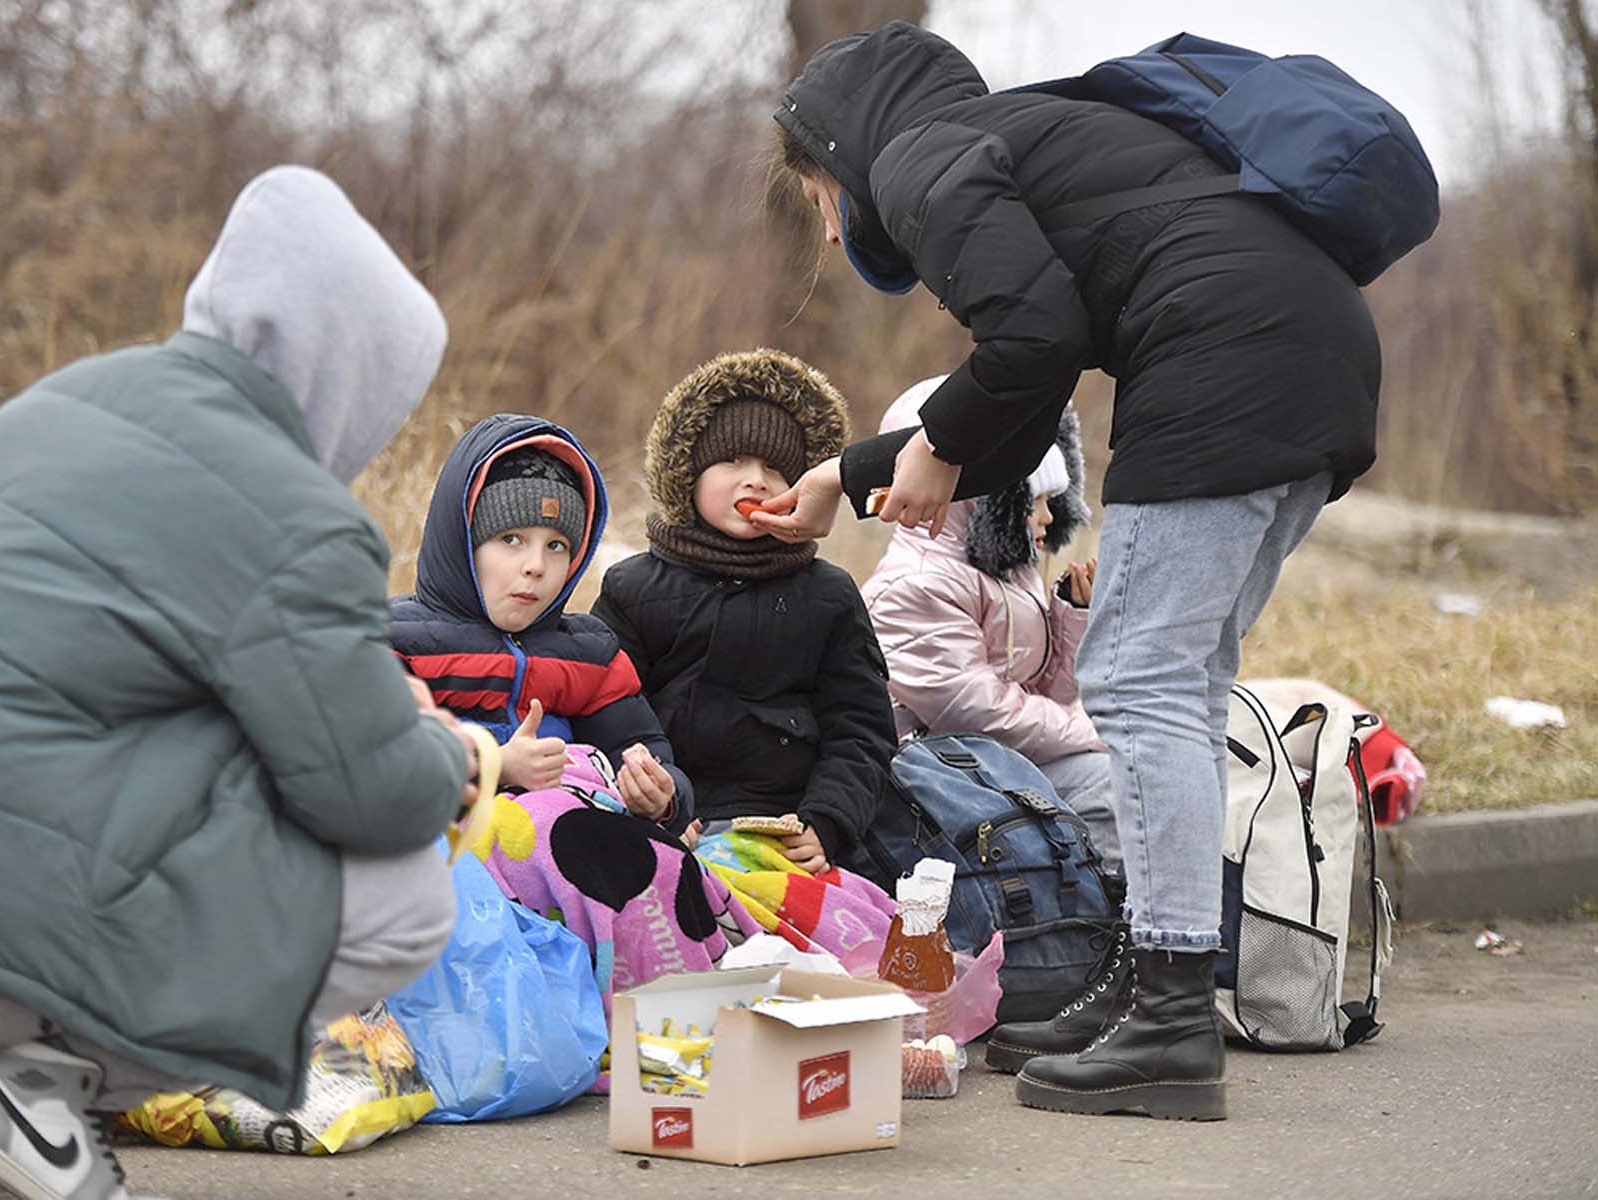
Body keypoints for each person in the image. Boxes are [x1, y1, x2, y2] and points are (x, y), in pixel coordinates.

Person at [0, 166, 475, 1199]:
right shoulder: (289, 508)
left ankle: (15, 1130)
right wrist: (453, 752)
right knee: (408, 893)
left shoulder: (58, 404)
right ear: (343, 371)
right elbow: (370, 791)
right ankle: (40, 1082)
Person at [759, 22, 1383, 1122]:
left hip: (1222, 365)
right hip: (1310, 355)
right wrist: (845, 476)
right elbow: (1022, 400)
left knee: (1141, 687)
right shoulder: (1013, 143)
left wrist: (936, 446)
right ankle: (1146, 986)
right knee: (1173, 686)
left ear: (842, 153)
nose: (825, 217)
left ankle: (1170, 1016)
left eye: (815, 193)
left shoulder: (916, 160)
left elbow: (1029, 344)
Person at [592, 348, 898, 890]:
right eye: (732, 461)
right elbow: (604, 710)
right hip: (667, 819)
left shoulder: (827, 594)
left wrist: (828, 820)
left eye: (776, 469)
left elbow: (861, 728)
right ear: (687, 472)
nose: (754, 481)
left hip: (785, 830)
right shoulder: (634, 587)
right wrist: (649, 797)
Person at [861, 376, 1121, 873]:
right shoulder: (916, 586)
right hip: (931, 780)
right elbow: (977, 713)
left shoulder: (1007, 574)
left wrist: (1071, 617)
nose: (1047, 517)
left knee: (1127, 774)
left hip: (988, 761)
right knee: (1109, 783)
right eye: (1033, 501)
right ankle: (1111, 919)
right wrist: (1096, 731)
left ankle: (1113, 908)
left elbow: (1048, 695)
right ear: (983, 497)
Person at [387, 413, 692, 828]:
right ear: (462, 543)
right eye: (510, 539)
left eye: (556, 545)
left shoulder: (591, 654)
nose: (536, 566)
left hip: (570, 854)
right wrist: (496, 765)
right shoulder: (399, 643)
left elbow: (643, 751)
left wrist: (661, 797)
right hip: (454, 855)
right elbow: (378, 770)